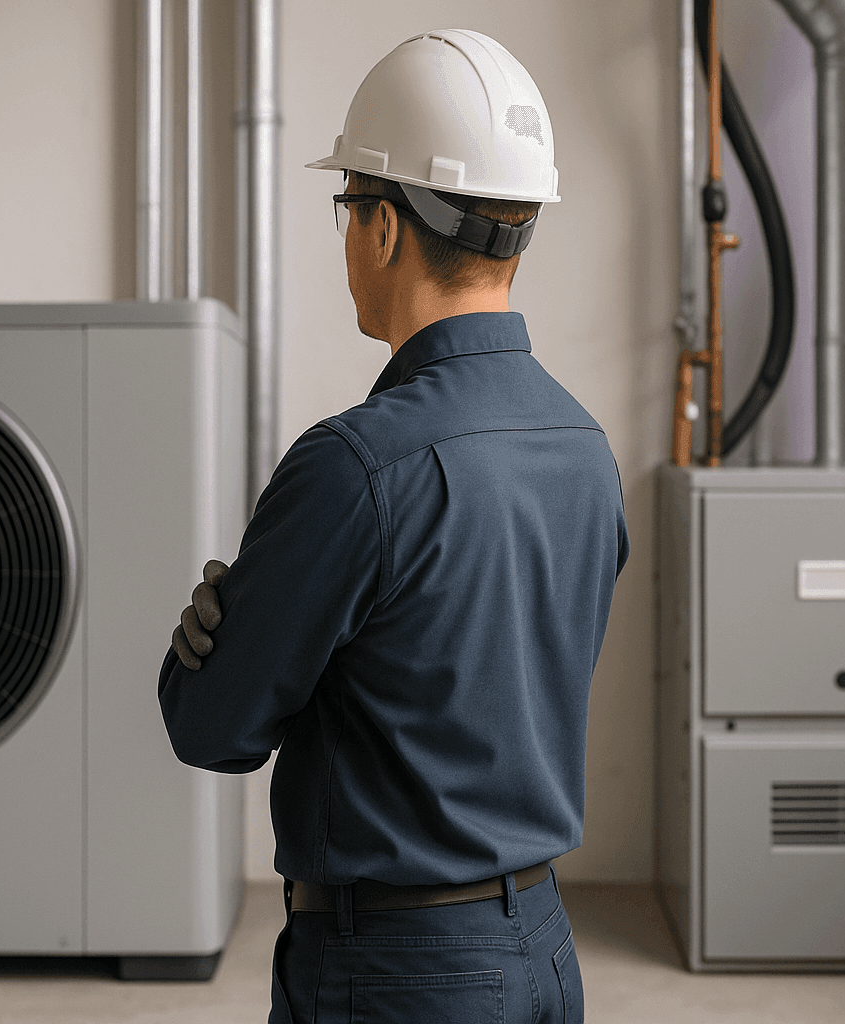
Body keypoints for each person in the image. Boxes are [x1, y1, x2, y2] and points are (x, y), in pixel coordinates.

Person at [158, 28, 627, 1024]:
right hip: (543, 950)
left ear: (381, 227)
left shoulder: (357, 465)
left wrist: (206, 639)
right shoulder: (585, 449)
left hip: (400, 977)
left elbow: (212, 727)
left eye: (347, 212)